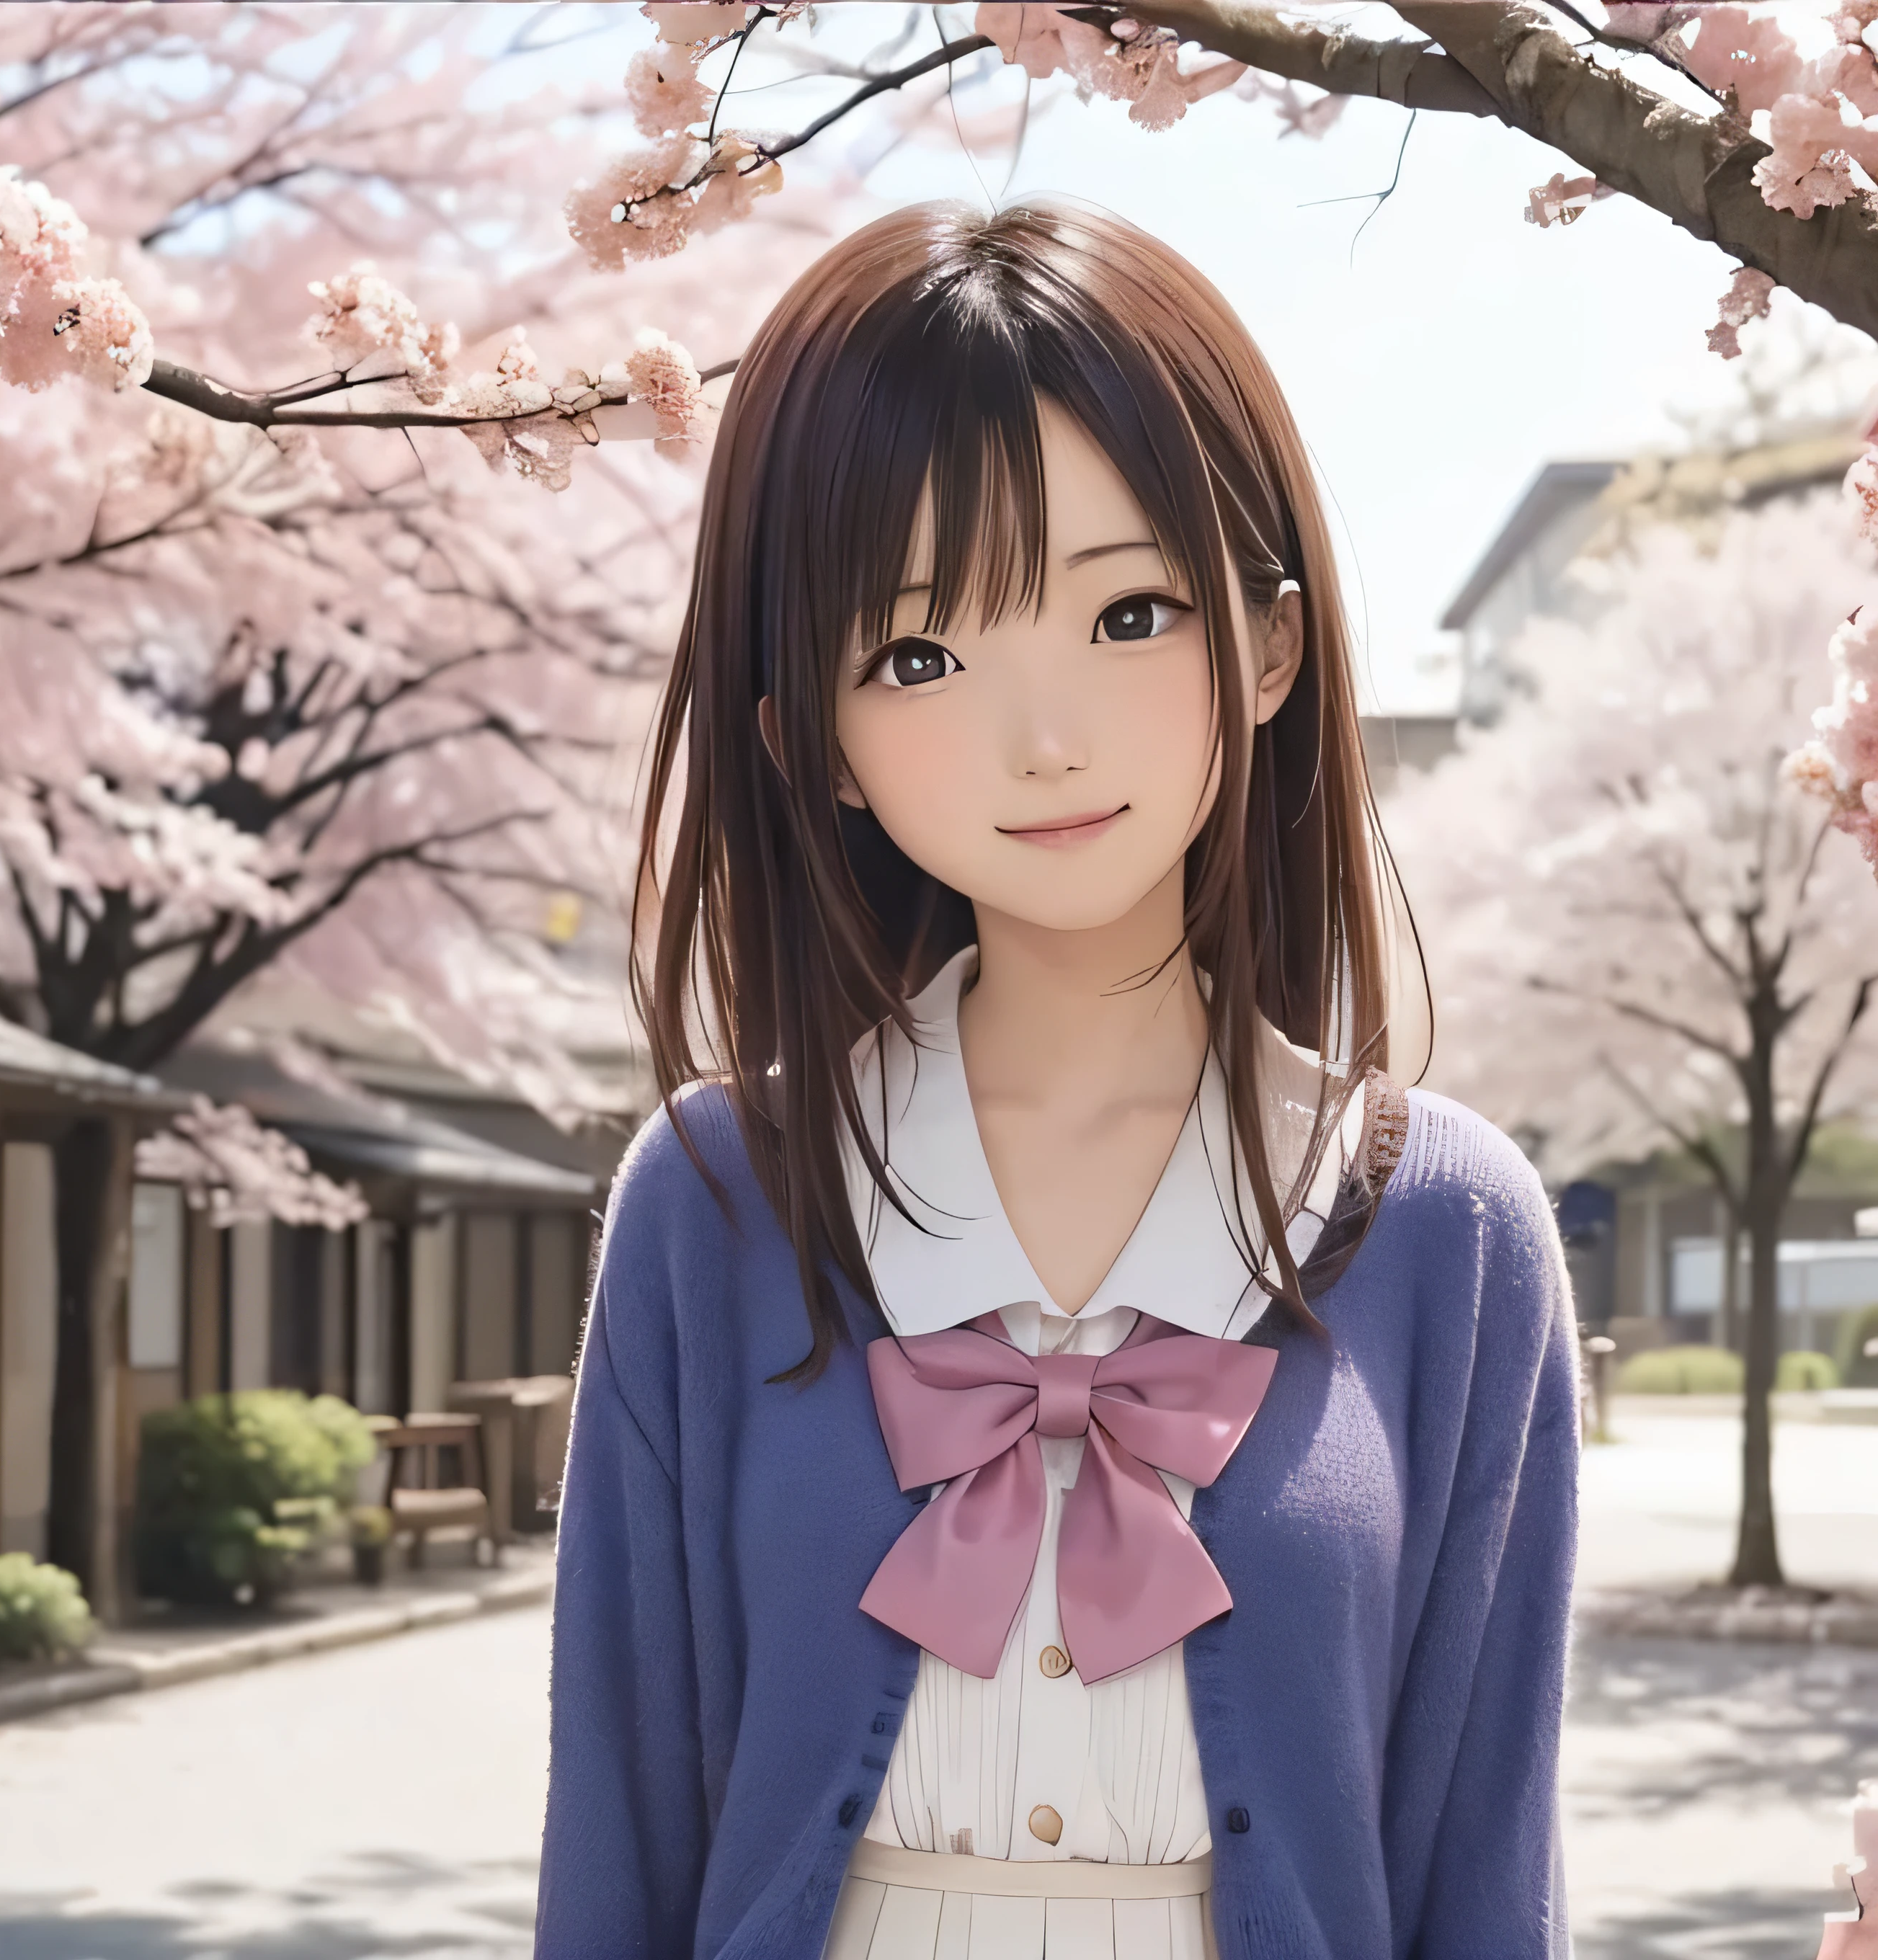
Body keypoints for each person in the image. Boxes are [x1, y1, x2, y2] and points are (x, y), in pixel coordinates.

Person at [536, 200, 1577, 1959]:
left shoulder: (1442, 1230)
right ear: (814, 742)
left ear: (1264, 646)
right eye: (922, 654)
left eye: (1129, 611)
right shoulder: (717, 1200)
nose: (1045, 736)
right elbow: (617, 1831)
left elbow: (1488, 1858)